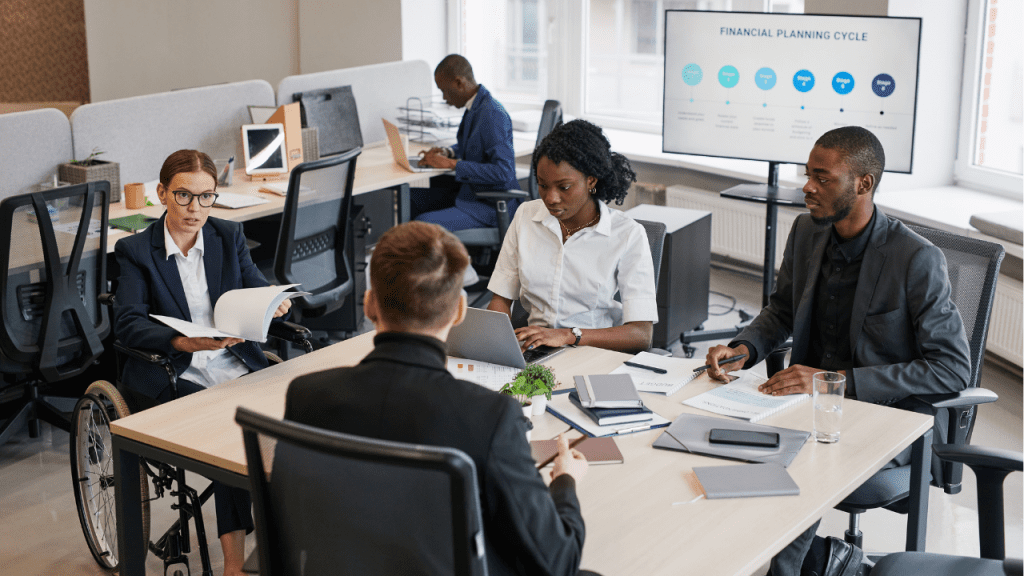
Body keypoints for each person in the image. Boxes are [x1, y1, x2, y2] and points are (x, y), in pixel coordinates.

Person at [704, 126, 971, 576]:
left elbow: (952, 369)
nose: (807, 187)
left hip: (888, 417)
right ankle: (822, 561)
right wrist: (743, 349)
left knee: (801, 466)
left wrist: (836, 383)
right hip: (807, 407)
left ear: (863, 183)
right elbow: (782, 309)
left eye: (822, 178)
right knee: (718, 439)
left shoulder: (915, 259)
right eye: (808, 174)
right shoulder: (808, 231)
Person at [284, 221, 590, 576]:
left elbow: (295, 523)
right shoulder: (490, 416)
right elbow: (558, 562)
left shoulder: (306, 395)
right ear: (459, 311)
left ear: (369, 305)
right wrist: (565, 482)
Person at [113, 149, 292, 576]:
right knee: (234, 430)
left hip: (233, 361)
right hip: (172, 368)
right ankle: (234, 564)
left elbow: (253, 288)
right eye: (183, 196)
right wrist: (181, 340)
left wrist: (271, 303)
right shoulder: (136, 250)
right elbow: (127, 322)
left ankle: (285, 539)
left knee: (295, 416)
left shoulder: (227, 237)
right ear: (162, 194)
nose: (196, 209)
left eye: (206, 197)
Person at [486, 119, 658, 354]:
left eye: (564, 187)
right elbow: (500, 299)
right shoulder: (527, 216)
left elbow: (641, 335)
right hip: (535, 350)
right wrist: (499, 346)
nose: (550, 198)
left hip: (594, 352)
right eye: (542, 185)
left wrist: (567, 336)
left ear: (591, 180)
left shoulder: (627, 234)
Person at [411, 54, 519, 231]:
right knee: (411, 199)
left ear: (459, 83)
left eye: (444, 91)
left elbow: (504, 172)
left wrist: (453, 164)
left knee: (421, 226)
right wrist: (448, 152)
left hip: (488, 206)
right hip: (470, 194)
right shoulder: (475, 106)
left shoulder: (492, 114)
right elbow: (473, 147)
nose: (445, 98)